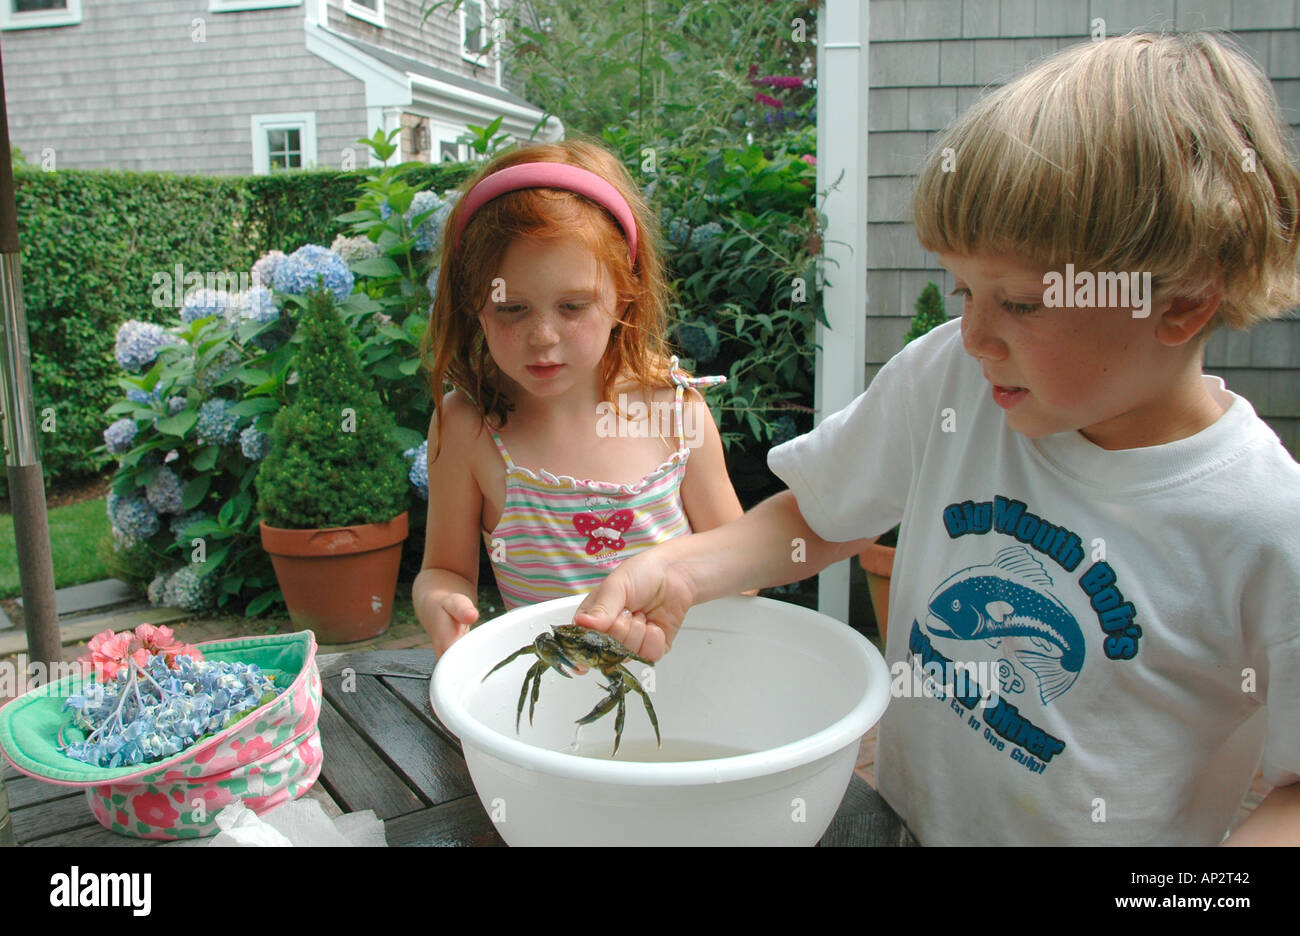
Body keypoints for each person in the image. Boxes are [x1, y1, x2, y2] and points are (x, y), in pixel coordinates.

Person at [572, 32, 1300, 846]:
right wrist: (677, 568)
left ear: (1182, 304)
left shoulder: (1269, 528)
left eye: (1022, 303)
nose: (976, 333)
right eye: (963, 288)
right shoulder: (951, 380)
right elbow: (822, 516)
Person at [412, 138, 747, 658]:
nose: (543, 336)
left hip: (687, 688)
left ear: (625, 292)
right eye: (511, 309)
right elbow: (445, 569)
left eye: (572, 306)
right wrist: (440, 599)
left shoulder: (673, 413)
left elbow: (746, 568)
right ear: (473, 303)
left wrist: (671, 572)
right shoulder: (468, 428)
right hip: (551, 704)